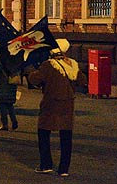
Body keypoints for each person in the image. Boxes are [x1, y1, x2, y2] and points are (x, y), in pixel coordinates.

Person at [28, 39, 87, 177]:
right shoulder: (73, 64)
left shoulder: (49, 65)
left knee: (43, 133)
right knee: (66, 137)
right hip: (67, 105)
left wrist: (31, 71)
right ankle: (64, 169)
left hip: (50, 104)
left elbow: (35, 79)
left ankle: (46, 165)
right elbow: (82, 81)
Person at [0, 57, 19, 131]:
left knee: (2, 104)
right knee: (10, 104)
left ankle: (4, 124)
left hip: (2, 82)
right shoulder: (15, 57)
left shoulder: (1, 57)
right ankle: (14, 120)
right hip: (12, 82)